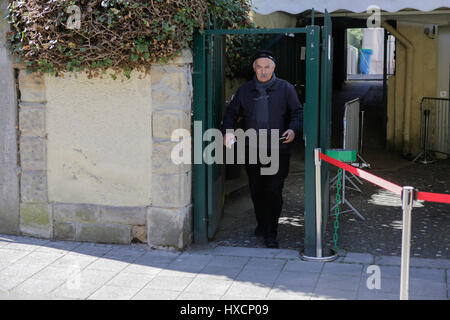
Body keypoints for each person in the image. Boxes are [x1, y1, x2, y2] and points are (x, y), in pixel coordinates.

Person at [222, 50, 303, 248]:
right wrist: (228, 131)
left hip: (277, 149)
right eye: (260, 67)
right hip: (251, 149)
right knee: (256, 190)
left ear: (273, 68)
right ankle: (262, 223)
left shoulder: (285, 89)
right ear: (254, 68)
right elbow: (231, 114)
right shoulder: (245, 91)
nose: (263, 71)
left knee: (273, 191)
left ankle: (271, 232)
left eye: (267, 67)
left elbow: (298, 113)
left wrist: (293, 130)